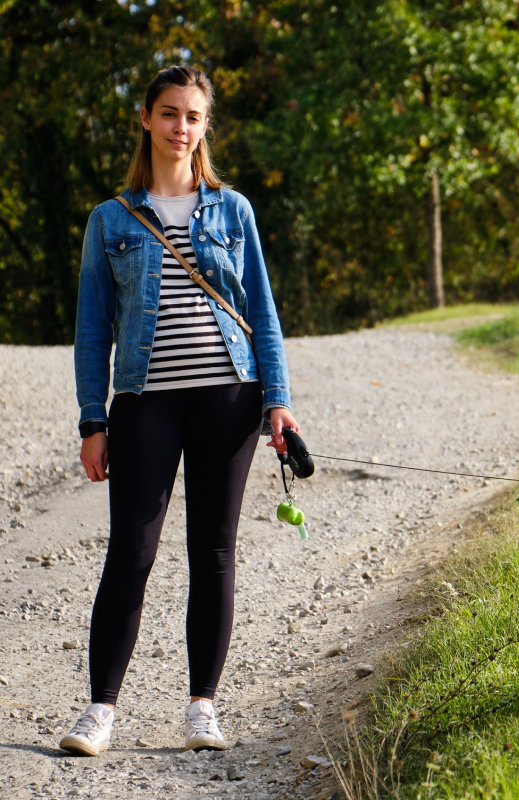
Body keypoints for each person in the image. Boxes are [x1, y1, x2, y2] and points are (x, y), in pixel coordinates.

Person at [63, 65, 299, 756]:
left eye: (193, 116)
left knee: (214, 550)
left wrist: (278, 401)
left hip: (229, 397)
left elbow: (262, 312)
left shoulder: (234, 210)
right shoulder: (110, 219)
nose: (181, 128)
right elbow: (92, 331)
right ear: (145, 118)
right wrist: (93, 420)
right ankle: (100, 710)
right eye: (169, 113)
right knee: (131, 552)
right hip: (145, 404)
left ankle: (202, 708)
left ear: (205, 126)